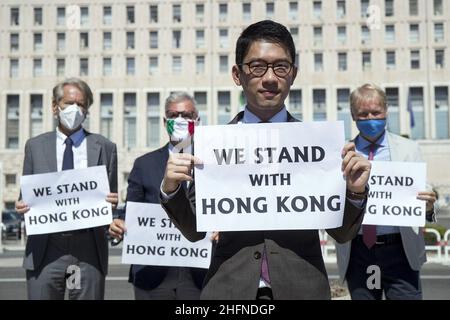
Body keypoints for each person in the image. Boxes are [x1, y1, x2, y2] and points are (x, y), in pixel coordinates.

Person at [160, 20, 372, 300]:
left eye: (281, 67)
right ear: (238, 74)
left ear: (293, 74)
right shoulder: (210, 147)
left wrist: (355, 192)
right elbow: (194, 231)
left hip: (302, 290)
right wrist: (170, 189)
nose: (270, 78)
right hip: (229, 292)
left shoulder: (320, 147)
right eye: (257, 67)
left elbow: (342, 233)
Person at [15, 78, 118, 300]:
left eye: (81, 104)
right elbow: (26, 195)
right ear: (55, 107)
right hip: (46, 248)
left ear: (87, 109)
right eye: (69, 103)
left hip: (88, 249)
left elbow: (110, 202)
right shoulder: (35, 146)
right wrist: (21, 205)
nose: (75, 109)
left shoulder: (106, 148)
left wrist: (111, 205)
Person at [335, 83, 438, 300]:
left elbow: (424, 189)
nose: (371, 117)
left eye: (376, 112)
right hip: (358, 251)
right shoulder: (342, 153)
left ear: (386, 112)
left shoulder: (409, 149)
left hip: (400, 249)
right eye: (363, 113)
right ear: (353, 115)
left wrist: (429, 204)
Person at [108, 92, 207, 300]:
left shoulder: (211, 162)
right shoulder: (144, 164)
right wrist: (118, 223)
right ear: (164, 121)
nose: (180, 119)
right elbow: (133, 211)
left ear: (197, 120)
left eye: (186, 114)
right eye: (173, 115)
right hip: (153, 273)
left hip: (200, 272)